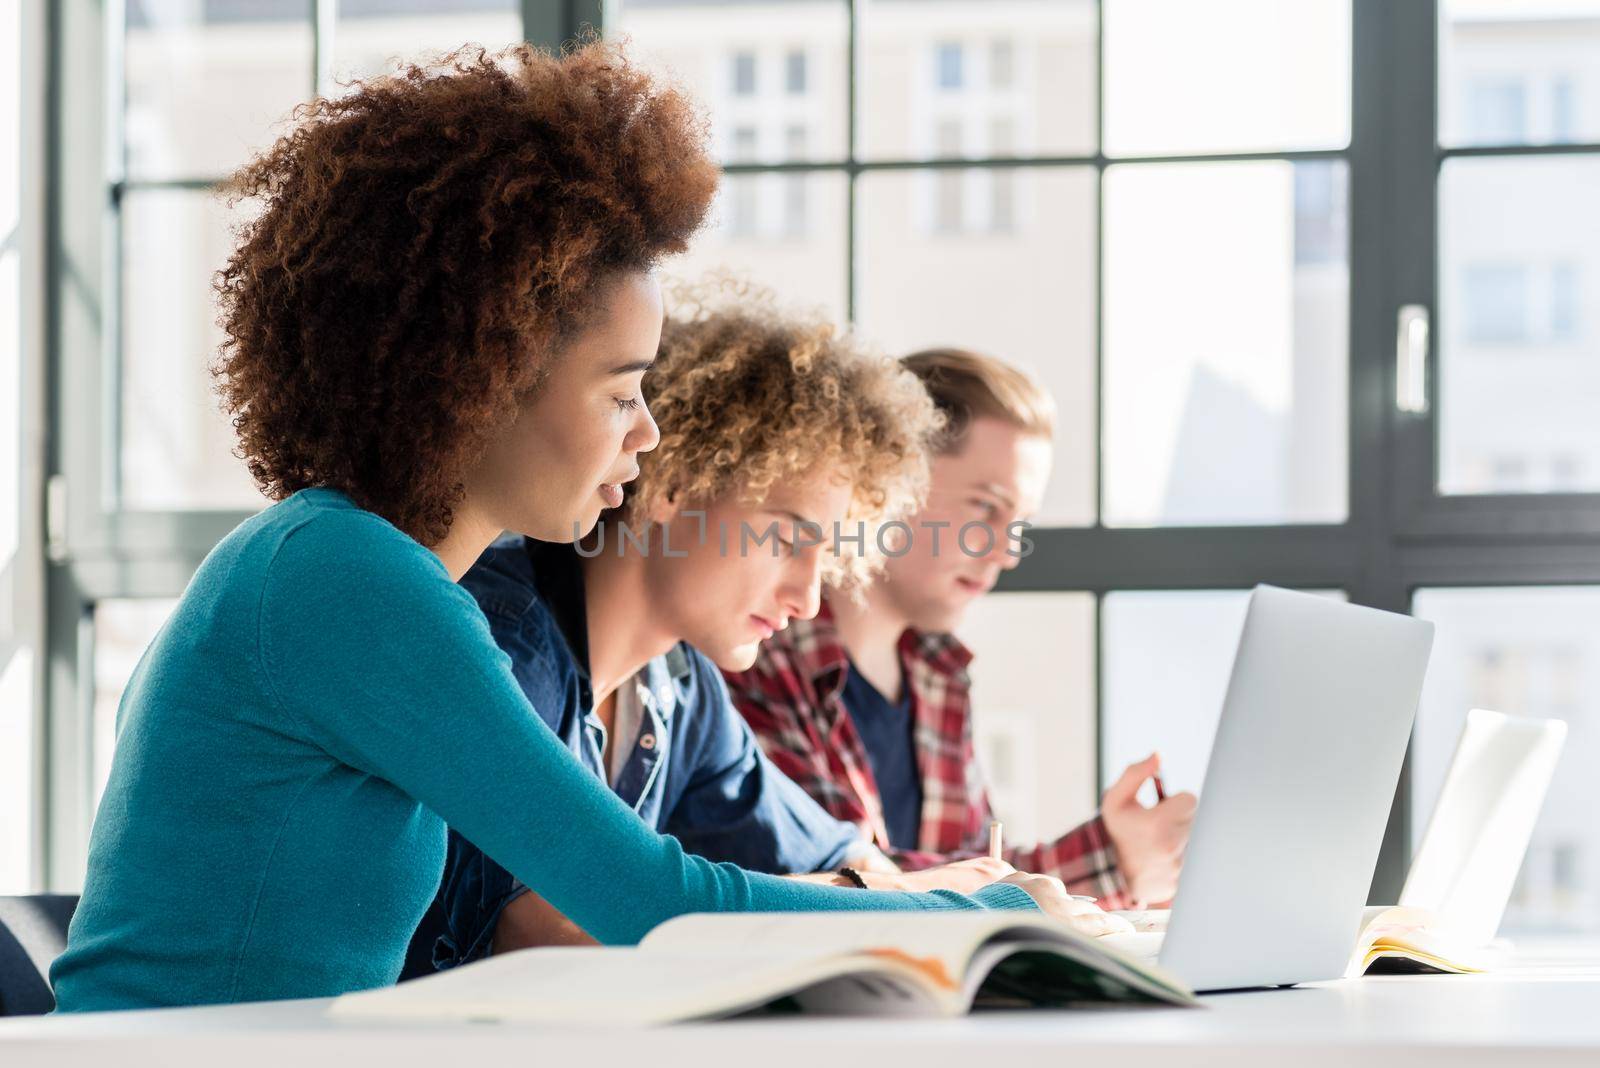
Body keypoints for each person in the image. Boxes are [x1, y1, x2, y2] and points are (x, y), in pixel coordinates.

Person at [50, 47, 1106, 1014]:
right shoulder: (348, 578)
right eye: (619, 392)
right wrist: (983, 921)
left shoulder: (360, 568)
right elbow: (646, 897)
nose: (649, 433)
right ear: (483, 378)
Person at [417, 294, 1022, 963]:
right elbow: (548, 931)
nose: (808, 598)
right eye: (788, 540)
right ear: (678, 483)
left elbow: (844, 853)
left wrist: (885, 887)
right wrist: (894, 901)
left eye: (830, 556)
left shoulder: (679, 688)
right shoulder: (503, 637)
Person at [726, 348, 1198, 910]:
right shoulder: (754, 652)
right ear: (890, 480)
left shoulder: (938, 673)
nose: (1006, 551)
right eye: (985, 508)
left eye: (1018, 523)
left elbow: (972, 869)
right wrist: (1110, 864)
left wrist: (1122, 860)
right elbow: (844, 885)